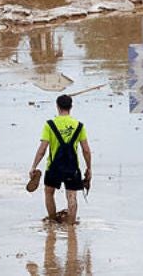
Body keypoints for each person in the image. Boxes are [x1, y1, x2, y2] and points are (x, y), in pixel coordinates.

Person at [29, 94, 92, 224]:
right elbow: (86, 150)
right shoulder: (79, 126)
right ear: (71, 107)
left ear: (57, 107)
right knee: (72, 196)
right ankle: (71, 226)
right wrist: (89, 167)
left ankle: (52, 221)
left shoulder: (49, 125)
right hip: (72, 167)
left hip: (53, 167)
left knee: (49, 193)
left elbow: (42, 149)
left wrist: (34, 166)